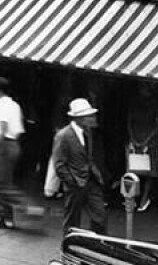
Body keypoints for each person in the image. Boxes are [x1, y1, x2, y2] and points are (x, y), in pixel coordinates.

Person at [53, 98, 107, 234]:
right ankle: (69, 249)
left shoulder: (88, 133)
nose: (93, 119)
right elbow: (59, 164)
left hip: (91, 181)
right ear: (80, 118)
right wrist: (72, 181)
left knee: (100, 217)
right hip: (75, 184)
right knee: (72, 221)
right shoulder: (63, 136)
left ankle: (97, 246)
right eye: (90, 116)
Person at [0, 77, 27, 230]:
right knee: (6, 181)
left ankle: (2, 218)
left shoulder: (2, 105)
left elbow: (2, 131)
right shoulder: (15, 105)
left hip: (5, 144)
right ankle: (8, 216)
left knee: (0, 184)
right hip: (15, 144)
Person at [127, 83, 158, 212]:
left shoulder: (155, 106)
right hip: (136, 139)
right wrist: (133, 139)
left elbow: (157, 126)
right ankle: (131, 198)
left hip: (150, 141)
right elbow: (129, 123)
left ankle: (144, 198)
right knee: (133, 170)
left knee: (149, 172)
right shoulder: (134, 105)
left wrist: (145, 141)